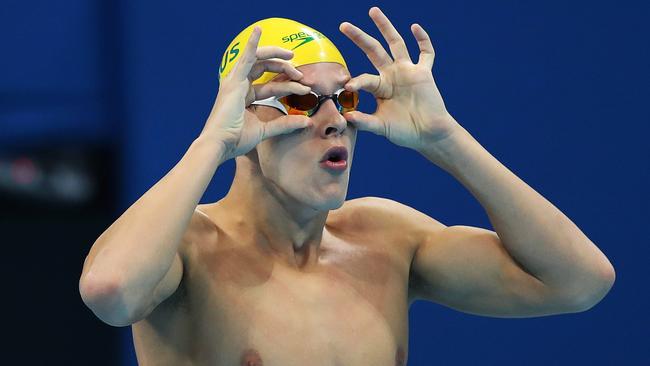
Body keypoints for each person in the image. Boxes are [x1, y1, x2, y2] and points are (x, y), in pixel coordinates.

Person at [79, 7, 615, 365]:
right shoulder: (190, 248)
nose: (333, 120)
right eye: (299, 103)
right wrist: (210, 145)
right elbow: (112, 293)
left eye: (345, 99)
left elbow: (579, 282)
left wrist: (445, 139)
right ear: (244, 119)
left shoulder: (385, 238)